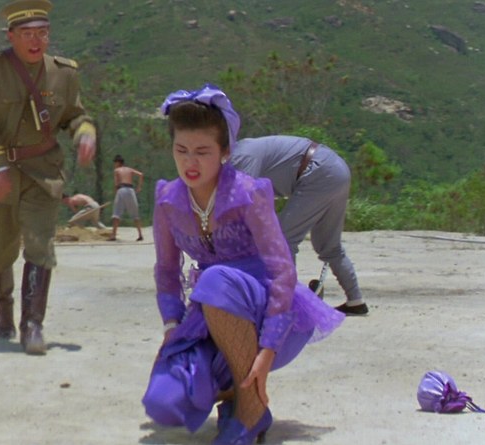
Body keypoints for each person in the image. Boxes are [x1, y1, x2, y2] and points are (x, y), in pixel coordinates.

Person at [141, 85, 344, 445]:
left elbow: (282, 270)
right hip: (209, 311)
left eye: (202, 151)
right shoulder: (168, 200)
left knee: (215, 279)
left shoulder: (248, 193)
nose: (190, 163)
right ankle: (235, 395)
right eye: (181, 150)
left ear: (225, 152)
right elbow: (167, 271)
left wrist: (268, 350)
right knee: (166, 401)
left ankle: (249, 411)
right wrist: (173, 326)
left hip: (266, 310)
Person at [0, 0, 96, 355]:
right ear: (11, 36)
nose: (36, 41)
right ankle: (4, 311)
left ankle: (32, 325)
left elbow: (75, 115)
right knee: (1, 250)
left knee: (39, 245)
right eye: (27, 34)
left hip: (42, 173)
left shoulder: (64, 73)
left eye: (42, 33)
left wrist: (84, 133)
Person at [230, 135, 369, 316]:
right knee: (329, 246)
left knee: (283, 239)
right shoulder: (242, 152)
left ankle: (288, 302)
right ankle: (355, 301)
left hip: (317, 172)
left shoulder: (239, 158)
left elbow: (243, 203)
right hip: (334, 169)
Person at [109, 154, 144, 241]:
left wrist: (115, 193)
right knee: (135, 214)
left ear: (118, 163)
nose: (114, 165)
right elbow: (141, 174)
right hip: (131, 190)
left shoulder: (117, 170)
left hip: (121, 189)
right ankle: (140, 234)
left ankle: (113, 235)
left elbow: (116, 183)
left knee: (116, 213)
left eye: (115, 163)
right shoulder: (129, 169)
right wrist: (139, 187)